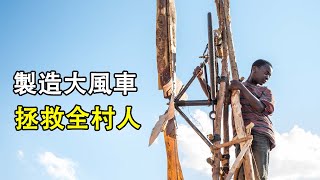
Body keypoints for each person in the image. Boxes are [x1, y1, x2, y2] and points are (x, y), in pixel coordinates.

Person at [194, 59, 275, 180]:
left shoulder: (265, 91)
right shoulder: (235, 89)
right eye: (266, 72)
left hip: (260, 132)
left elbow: (260, 107)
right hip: (240, 135)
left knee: (258, 174)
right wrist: (201, 79)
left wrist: (241, 87)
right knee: (241, 175)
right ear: (254, 69)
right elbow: (217, 99)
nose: (267, 77)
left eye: (269, 75)